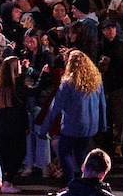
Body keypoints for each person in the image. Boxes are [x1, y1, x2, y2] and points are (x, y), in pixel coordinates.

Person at [46, 50, 109, 181]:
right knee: (81, 153)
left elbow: (55, 107)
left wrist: (43, 128)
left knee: (65, 154)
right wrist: (102, 125)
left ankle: (71, 184)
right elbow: (103, 104)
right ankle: (86, 182)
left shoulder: (68, 83)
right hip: (90, 127)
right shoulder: (96, 81)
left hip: (73, 126)